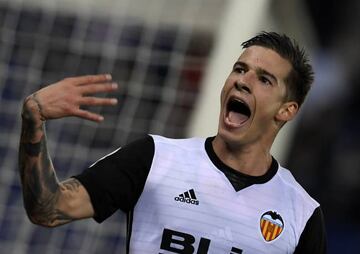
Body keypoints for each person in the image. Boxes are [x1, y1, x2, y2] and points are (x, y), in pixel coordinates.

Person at [18, 32, 326, 253]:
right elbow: (48, 209)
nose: (242, 80)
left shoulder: (301, 214)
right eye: (240, 69)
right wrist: (33, 122)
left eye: (264, 79)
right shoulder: (155, 158)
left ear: (287, 110)